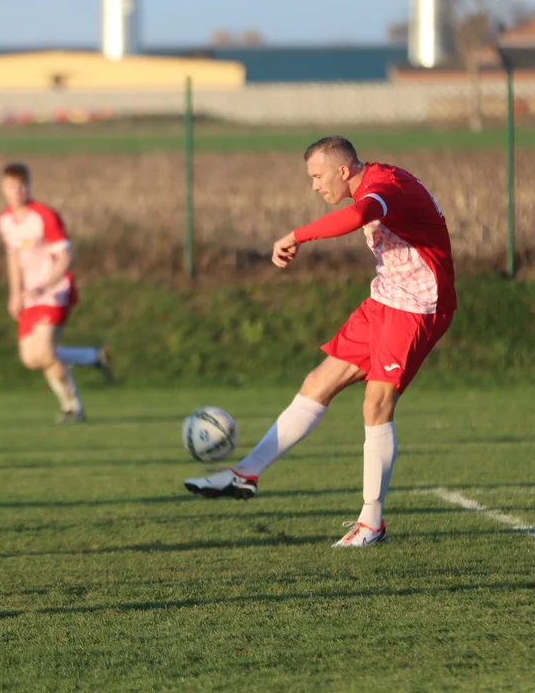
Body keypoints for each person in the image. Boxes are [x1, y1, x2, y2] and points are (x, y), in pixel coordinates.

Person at [184, 136, 456, 548]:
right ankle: (245, 474)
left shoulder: (383, 188)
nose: (314, 185)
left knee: (376, 404)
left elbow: (357, 215)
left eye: (317, 176)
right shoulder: (369, 183)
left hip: (418, 306)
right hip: (384, 299)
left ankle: (372, 522)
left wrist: (296, 235)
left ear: (343, 170)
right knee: (317, 383)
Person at [0, 163, 112, 423]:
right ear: (3, 188)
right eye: (12, 186)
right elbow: (14, 258)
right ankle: (92, 356)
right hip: (30, 295)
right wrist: (15, 293)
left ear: (29, 186)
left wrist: (47, 285)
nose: (18, 191)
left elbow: (65, 256)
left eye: (22, 185)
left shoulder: (45, 216)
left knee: (46, 353)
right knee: (31, 358)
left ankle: (73, 408)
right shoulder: (5, 221)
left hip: (55, 291)